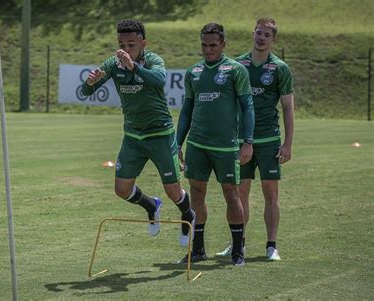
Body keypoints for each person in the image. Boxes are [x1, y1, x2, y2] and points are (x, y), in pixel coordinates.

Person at [81, 19, 195, 247]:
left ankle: (187, 215)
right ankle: (151, 206)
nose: (125, 49)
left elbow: (160, 80)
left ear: (143, 43)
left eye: (131, 44)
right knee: (121, 190)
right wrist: (90, 82)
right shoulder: (114, 63)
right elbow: (86, 91)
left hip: (160, 136)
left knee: (174, 192)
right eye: (121, 44)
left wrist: (135, 67)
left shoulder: (153, 60)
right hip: (133, 137)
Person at [176, 23, 254, 266]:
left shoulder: (235, 70)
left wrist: (247, 142)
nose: (207, 50)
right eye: (204, 45)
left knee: (232, 194)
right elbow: (187, 110)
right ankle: (198, 250)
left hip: (226, 146)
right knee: (197, 194)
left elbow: (248, 107)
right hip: (198, 145)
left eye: (212, 45)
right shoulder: (193, 72)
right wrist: (177, 143)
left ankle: (238, 251)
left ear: (223, 45)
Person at [216, 18, 294, 261]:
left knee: (271, 193)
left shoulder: (280, 68)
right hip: (241, 141)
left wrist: (288, 143)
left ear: (273, 40)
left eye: (267, 35)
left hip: (269, 139)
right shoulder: (238, 65)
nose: (261, 38)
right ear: (253, 34)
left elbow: (288, 108)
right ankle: (238, 243)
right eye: (259, 33)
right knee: (240, 193)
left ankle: (272, 247)